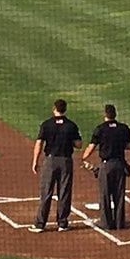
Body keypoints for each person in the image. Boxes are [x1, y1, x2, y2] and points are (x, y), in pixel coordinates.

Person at [29, 98, 81, 232]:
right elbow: (78, 144)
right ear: (65, 109)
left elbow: (39, 143)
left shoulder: (47, 124)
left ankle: (40, 224)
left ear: (54, 109)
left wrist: (35, 161)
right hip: (65, 161)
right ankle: (62, 223)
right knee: (64, 192)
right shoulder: (71, 125)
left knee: (46, 191)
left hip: (50, 162)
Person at [81, 104, 130, 230]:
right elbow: (129, 146)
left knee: (105, 195)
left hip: (106, 165)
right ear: (115, 114)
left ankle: (106, 223)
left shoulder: (100, 129)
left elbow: (91, 147)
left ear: (105, 114)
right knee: (119, 195)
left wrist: (84, 158)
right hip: (120, 164)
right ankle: (120, 223)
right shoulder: (123, 128)